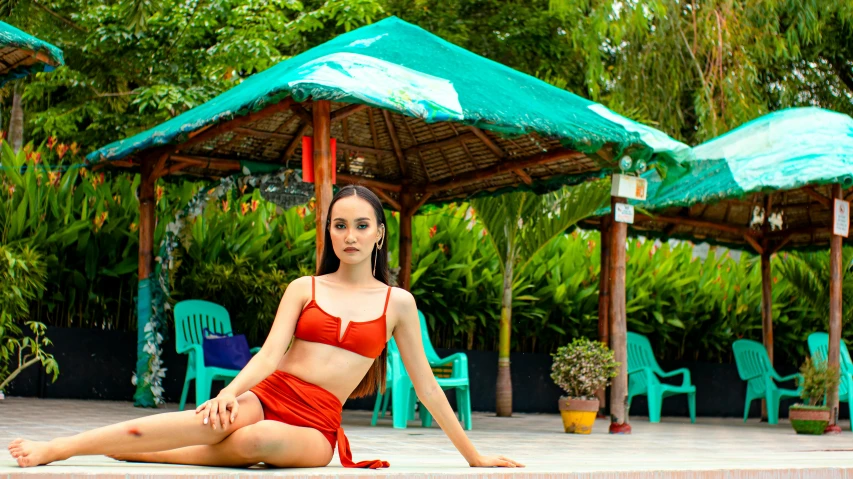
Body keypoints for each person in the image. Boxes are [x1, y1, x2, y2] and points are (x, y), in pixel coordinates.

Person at [8, 185, 524, 469]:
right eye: (340, 224)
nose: (350, 234)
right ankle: (63, 447)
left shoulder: (398, 304)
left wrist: (475, 458)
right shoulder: (305, 288)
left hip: (318, 424)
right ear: (329, 231)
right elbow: (269, 355)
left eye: (361, 225)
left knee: (253, 443)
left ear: (379, 235)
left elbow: (429, 387)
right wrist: (227, 395)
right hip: (271, 392)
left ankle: (159, 454)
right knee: (209, 420)